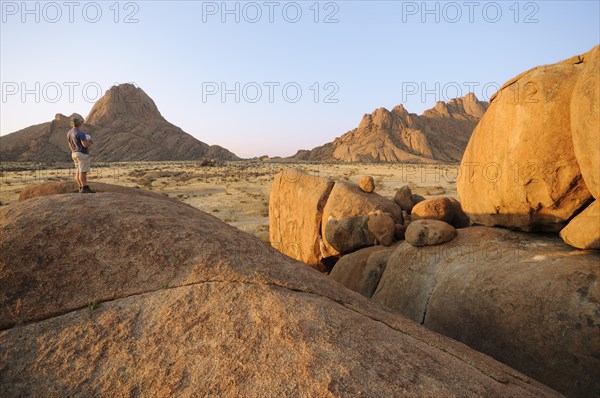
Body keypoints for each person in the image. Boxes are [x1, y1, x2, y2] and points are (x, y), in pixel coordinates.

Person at [67, 116, 95, 193]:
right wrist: (89, 142)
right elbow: (85, 145)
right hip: (82, 153)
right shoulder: (81, 133)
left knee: (78, 170)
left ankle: (80, 187)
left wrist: (74, 150)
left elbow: (69, 144)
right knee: (83, 171)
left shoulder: (69, 133)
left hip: (74, 153)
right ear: (79, 124)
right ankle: (85, 187)